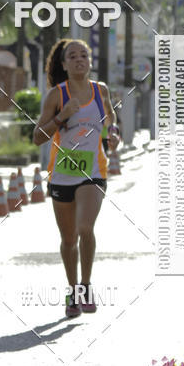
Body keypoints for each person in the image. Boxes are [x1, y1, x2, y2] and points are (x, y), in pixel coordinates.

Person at [33, 38, 120, 317]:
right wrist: (61, 117)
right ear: (64, 64)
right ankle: (72, 292)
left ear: (90, 62)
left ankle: (85, 286)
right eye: (73, 56)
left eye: (84, 55)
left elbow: (110, 120)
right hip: (61, 175)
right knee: (69, 239)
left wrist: (113, 135)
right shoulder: (56, 95)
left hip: (93, 172)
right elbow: (37, 137)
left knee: (85, 228)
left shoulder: (100, 91)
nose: (79, 59)